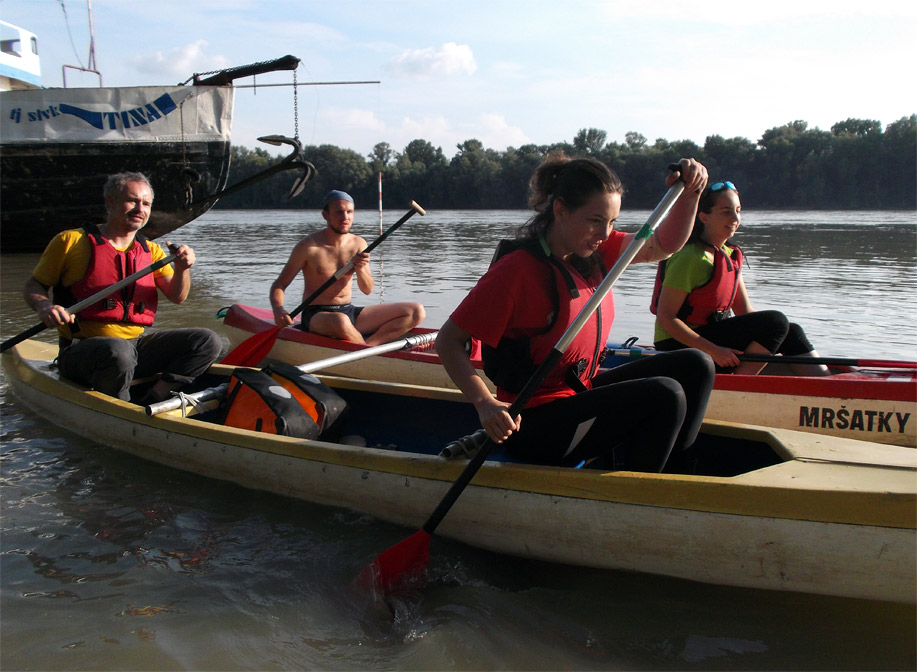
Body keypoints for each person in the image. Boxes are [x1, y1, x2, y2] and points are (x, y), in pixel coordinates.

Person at [435, 154, 715, 474]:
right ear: (561, 211)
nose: (605, 233)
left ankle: (679, 477)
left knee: (696, 364)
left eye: (611, 222)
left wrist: (692, 193)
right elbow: (448, 341)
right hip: (533, 425)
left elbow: (663, 245)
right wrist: (485, 403)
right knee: (665, 394)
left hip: (577, 396)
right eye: (595, 220)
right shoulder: (515, 272)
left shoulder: (594, 251)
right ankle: (636, 498)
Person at [23, 172, 223, 403]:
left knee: (207, 340)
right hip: (82, 351)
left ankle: (153, 397)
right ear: (110, 202)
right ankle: (120, 406)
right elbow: (34, 284)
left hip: (133, 348)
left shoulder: (152, 251)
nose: (140, 209)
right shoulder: (71, 241)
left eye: (146, 203)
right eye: (132, 201)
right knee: (119, 352)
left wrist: (182, 268)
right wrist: (44, 306)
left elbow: (178, 296)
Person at [651, 180, 829, 376]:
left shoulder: (729, 255)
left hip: (710, 340)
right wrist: (715, 351)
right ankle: (738, 384)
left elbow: (745, 312)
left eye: (738, 210)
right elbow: (666, 318)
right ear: (704, 217)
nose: (736, 218)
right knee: (776, 322)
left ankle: (831, 386)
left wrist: (773, 340)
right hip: (677, 347)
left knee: (789, 330)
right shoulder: (689, 257)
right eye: (726, 212)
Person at [270, 189, 426, 346]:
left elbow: (367, 289)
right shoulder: (308, 247)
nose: (345, 217)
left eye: (349, 212)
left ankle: (370, 346)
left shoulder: (359, 244)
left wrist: (360, 268)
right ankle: (368, 354)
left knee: (416, 311)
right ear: (326, 215)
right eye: (339, 212)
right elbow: (280, 284)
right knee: (341, 321)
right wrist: (278, 310)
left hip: (348, 310)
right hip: (316, 315)